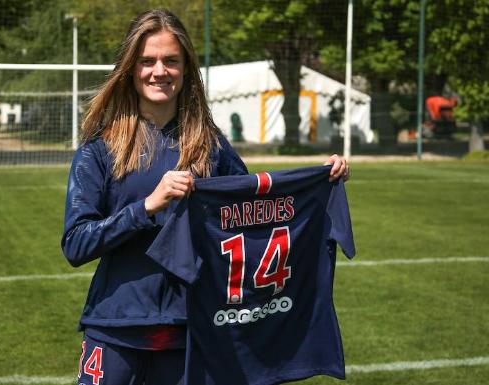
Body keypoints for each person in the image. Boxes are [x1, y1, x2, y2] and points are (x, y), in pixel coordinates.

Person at [61, 9, 349, 385]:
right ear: (130, 69)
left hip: (194, 331)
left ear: (186, 69)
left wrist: (320, 179)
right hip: (116, 325)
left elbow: (256, 216)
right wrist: (147, 206)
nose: (159, 71)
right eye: (147, 61)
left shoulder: (211, 148)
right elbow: (75, 244)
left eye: (171, 61)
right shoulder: (98, 150)